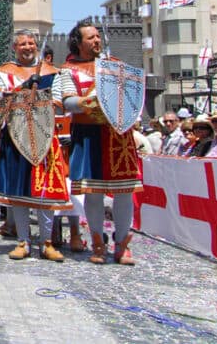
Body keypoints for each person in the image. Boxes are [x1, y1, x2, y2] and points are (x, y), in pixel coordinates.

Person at [55, 20, 143, 265]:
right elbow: (67, 102)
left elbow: (133, 97)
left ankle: (123, 244)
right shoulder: (67, 71)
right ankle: (98, 243)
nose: (96, 41)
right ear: (78, 43)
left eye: (97, 36)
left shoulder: (115, 66)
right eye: (90, 38)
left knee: (124, 192)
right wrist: (90, 100)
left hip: (118, 135)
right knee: (92, 193)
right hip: (88, 134)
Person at [0, 30, 73, 261]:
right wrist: (23, 89)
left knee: (45, 193)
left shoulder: (54, 73)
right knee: (20, 193)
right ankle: (23, 241)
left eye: (31, 43)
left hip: (44, 135)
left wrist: (40, 96)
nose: (27, 47)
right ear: (15, 48)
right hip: (16, 135)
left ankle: (46, 242)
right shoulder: (3, 73)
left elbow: (59, 104)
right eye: (22, 44)